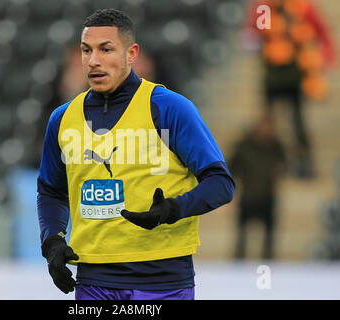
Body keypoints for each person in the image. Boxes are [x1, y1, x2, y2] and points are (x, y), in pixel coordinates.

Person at [37, 8, 235, 300]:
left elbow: (221, 183)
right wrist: (52, 241)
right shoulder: (62, 118)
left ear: (132, 54)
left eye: (106, 50)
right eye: (86, 50)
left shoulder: (170, 109)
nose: (93, 61)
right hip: (93, 281)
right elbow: (50, 191)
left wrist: (172, 210)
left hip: (164, 281)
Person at [243, 0, 335, 179]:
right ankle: (272, 163)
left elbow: (320, 31)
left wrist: (325, 57)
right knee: (270, 122)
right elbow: (254, 33)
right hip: (273, 75)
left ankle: (305, 164)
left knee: (297, 121)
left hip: (296, 76)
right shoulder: (265, 8)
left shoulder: (303, 6)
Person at [229, 114, 286, 260]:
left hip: (268, 195)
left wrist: (280, 170)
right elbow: (231, 167)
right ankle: (238, 263)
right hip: (248, 195)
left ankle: (268, 263)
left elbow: (284, 165)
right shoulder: (244, 146)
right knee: (241, 235)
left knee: (269, 236)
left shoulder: (276, 146)